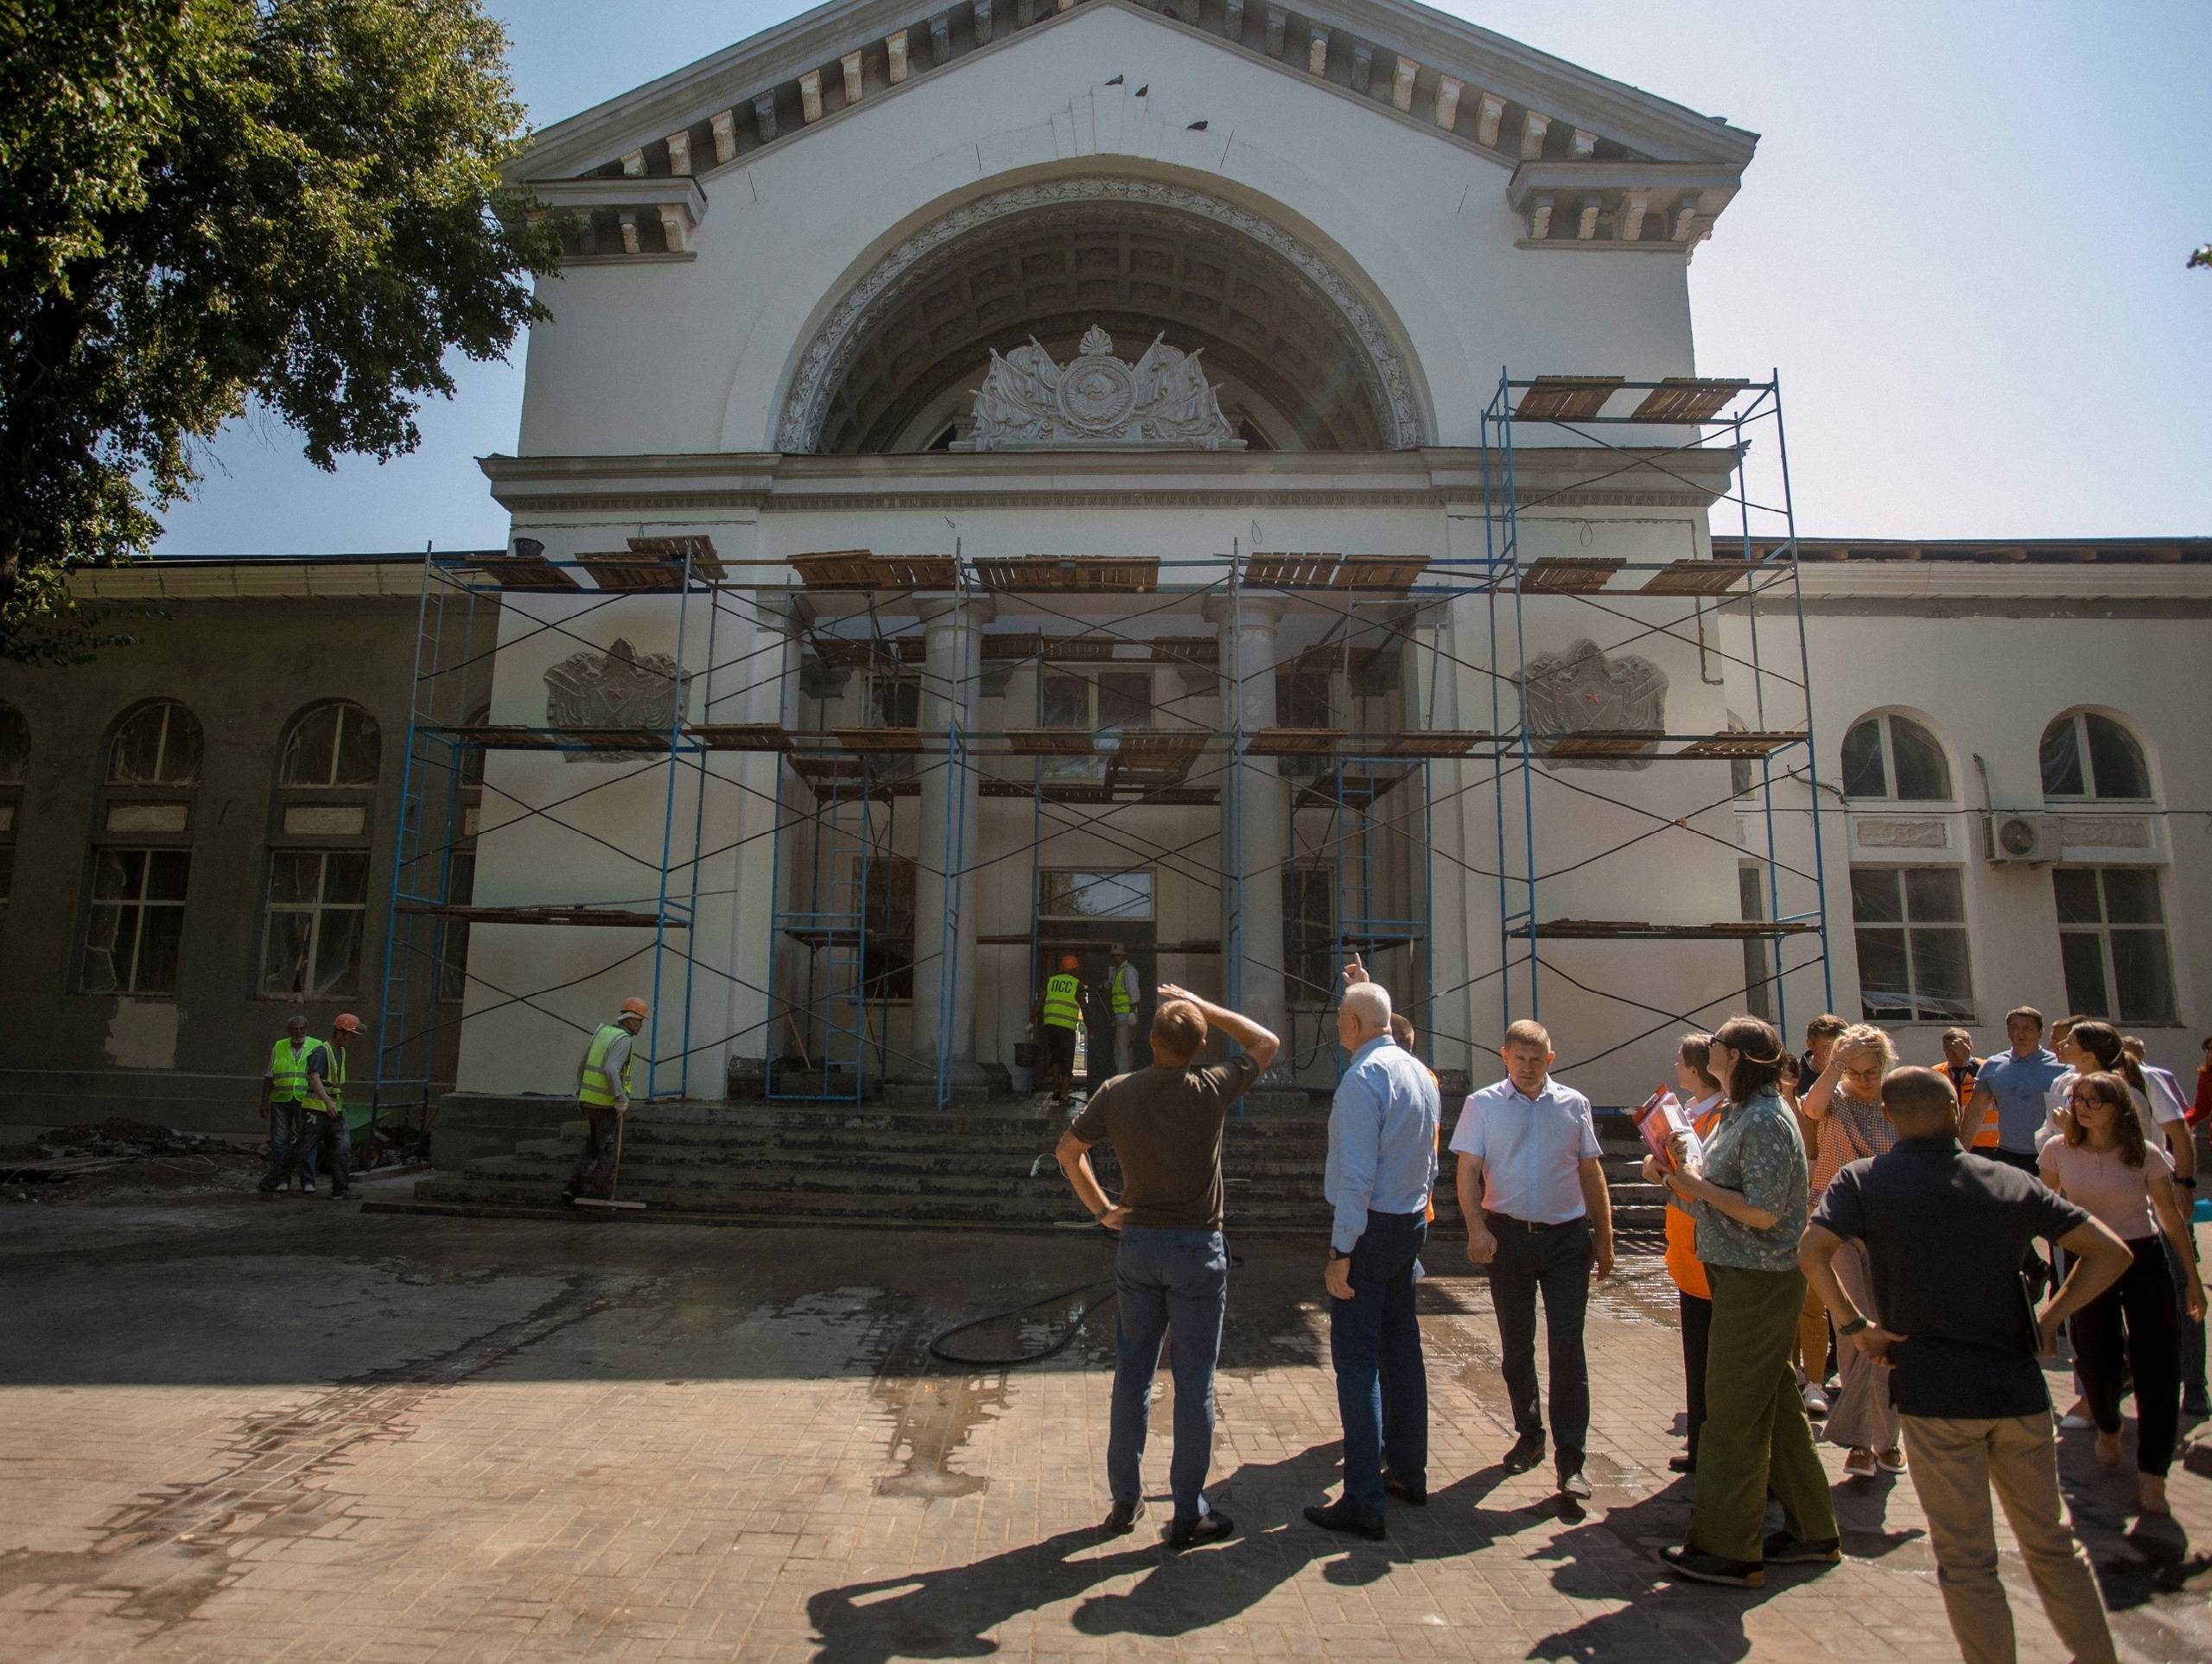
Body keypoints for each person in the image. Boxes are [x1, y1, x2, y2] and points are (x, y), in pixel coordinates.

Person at [1801, 1065, 2131, 1664]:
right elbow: (2110, 1252)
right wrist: (2053, 1316)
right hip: (2016, 1389)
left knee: (1966, 1558)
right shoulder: (2007, 1180)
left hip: (1932, 1390)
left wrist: (1854, 1326)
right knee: (2052, 1543)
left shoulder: (1865, 1180)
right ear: (1956, 1108)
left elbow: (1812, 1251)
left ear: (1891, 1117)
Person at [1056, 983, 1278, 1548]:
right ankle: (1186, 1510)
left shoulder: (1118, 1091)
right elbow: (1265, 1041)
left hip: (1139, 1244)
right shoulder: (1209, 1088)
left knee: (1133, 1373)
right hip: (1198, 1249)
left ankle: (1124, 1500)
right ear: (1199, 1045)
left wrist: (1104, 1209)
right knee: (1194, 1380)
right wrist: (1203, 1005)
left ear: (1150, 1039)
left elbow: (1067, 1153)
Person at [1653, 1015, 1836, 1590]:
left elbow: (1763, 1212)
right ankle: (1813, 1531)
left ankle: (1729, 1548)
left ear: (1735, 1057)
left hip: (1759, 1280)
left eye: (1717, 1043)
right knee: (1777, 1408)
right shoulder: (1739, 1112)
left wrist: (1696, 1188)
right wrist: (1674, 1180)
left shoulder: (1764, 1120)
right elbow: (1719, 1200)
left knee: (1731, 1416)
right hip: (1738, 1273)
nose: (1709, 1048)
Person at [1305, 958, 1442, 1539]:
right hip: (1409, 1222)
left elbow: (1357, 1177)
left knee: (1357, 1362)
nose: (1337, 1024)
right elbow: (1430, 1160)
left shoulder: (1363, 1081)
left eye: (1341, 1017)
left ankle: (1364, 1498)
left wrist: (1342, 1251)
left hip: (1370, 1229)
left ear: (1356, 1025)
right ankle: (1407, 1471)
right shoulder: (1417, 1073)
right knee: (1401, 1350)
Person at [1452, 1017, 1614, 1500]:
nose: (1527, 1067)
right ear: (1505, 1057)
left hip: (1566, 1240)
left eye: (1535, 1059)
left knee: (1568, 1347)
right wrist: (1476, 1228)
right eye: (1518, 1058)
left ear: (1550, 1059)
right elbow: (1468, 1173)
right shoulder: (1481, 1106)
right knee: (1516, 1345)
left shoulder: (1573, 1105)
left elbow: (1592, 1174)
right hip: (1508, 1239)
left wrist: (1604, 1239)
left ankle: (1572, 1461)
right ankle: (1529, 1434)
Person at [2041, 1070, 2207, 1514]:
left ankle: (2153, 1473)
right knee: (2096, 1357)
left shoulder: (2145, 1154)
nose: (2084, 1107)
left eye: (2095, 1101)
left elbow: (2171, 1220)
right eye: (2079, 1099)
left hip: (2142, 1257)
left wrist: (2191, 1281)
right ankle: (2108, 1425)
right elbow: (2040, 1206)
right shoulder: (2058, 1150)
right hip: (2088, 1259)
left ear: (2118, 1109)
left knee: (2158, 1364)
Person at [1802, 1023, 1904, 1479]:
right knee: (1853, 1324)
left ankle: (1887, 1438)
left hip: (1888, 1227)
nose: (1864, 1080)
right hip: (1835, 1223)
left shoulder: (1898, 1106)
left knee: (1890, 1328)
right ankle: (1859, 1443)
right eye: (1855, 1071)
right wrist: (1838, 1063)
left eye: (1872, 1071)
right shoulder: (1835, 1101)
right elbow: (1811, 1106)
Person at [1653, 1034, 1727, 1474]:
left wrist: (1662, 1174)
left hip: (1708, 1254)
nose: (1676, 1066)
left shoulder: (1715, 1118)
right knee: (1697, 1359)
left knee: (1711, 1361)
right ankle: (1701, 1444)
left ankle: (1711, 1449)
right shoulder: (1690, 1114)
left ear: (1697, 1070)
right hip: (1688, 1253)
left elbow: (1697, 1182)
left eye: (1680, 1061)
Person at [1965, 1006, 2069, 1292]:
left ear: (2039, 1032)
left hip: (2051, 1156)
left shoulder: (2061, 1068)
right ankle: (2034, 1268)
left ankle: (2061, 1292)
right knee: (2002, 1222)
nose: (2020, 1034)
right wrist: (1959, 1151)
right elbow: (1975, 1112)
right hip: (2010, 1154)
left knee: (2054, 1226)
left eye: (2027, 1029)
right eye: (2015, 1028)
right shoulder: (1993, 1066)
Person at [1777, 1051, 1830, 1420]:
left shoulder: (1808, 1114)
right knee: (1784, 1303)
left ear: (1796, 1079)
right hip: (1772, 1226)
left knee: (1813, 1304)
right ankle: (1790, 1370)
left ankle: (1815, 1380)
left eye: (1782, 1075)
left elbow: (1818, 1165)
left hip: (1808, 1218)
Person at [257, 1013, 360, 1200]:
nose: (352, 1039)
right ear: (338, 1033)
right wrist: (327, 1102)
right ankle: (268, 1184)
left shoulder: (340, 1052)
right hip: (316, 1111)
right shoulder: (322, 1052)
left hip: (333, 1111)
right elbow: (314, 1078)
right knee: (299, 1151)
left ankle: (341, 1190)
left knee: (342, 1150)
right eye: (350, 1035)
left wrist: (332, 1104)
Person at [564, 998, 645, 1203]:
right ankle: (596, 1195)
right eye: (640, 1021)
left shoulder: (602, 1033)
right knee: (608, 1151)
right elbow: (611, 1069)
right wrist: (620, 1098)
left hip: (589, 1102)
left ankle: (572, 1189)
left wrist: (582, 1093)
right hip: (605, 1104)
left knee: (591, 1148)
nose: (641, 1026)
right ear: (630, 1019)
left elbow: (582, 1066)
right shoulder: (624, 1040)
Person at [260, 1013, 325, 1196]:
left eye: (302, 1028)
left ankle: (308, 1181)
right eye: (295, 1029)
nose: (299, 1032)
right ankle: (282, 1179)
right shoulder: (279, 1046)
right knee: (280, 1141)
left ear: (307, 1028)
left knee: (307, 1141)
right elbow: (269, 1076)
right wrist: (264, 1101)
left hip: (306, 1100)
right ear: (289, 1031)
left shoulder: (316, 1045)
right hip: (281, 1100)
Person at [1031, 955, 1086, 1105]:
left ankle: (1056, 1090)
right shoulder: (1077, 984)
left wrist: (1031, 1020)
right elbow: (1084, 1007)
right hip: (1066, 1027)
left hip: (1050, 1025)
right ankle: (1064, 1096)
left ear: (1061, 967)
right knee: (1067, 1060)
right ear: (1075, 969)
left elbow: (1039, 1001)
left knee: (1055, 1057)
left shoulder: (1051, 982)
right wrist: (1090, 1026)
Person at [1939, 1028, 1992, 1150]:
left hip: (1988, 1144)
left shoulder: (1987, 1068)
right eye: (1951, 1050)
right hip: (1951, 1143)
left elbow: (1994, 1087)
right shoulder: (1936, 1073)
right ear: (1944, 1050)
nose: (1957, 1055)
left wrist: (1969, 1062)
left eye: (1961, 1049)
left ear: (1970, 1047)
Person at [1104, 943, 1143, 1077]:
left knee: (1121, 1051)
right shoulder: (1118, 971)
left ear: (1124, 955)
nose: (1116, 958)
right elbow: (1110, 984)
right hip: (1122, 1017)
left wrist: (1132, 1012)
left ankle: (1123, 1081)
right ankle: (1128, 1078)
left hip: (1127, 1017)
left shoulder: (1128, 971)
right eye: (1114, 956)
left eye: (1119, 955)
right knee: (1126, 1049)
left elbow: (1134, 994)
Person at [1798, 1013, 1847, 1094]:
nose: (1836, 1052)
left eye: (1842, 1046)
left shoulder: (1854, 1073)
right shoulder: (1793, 1074)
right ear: (1810, 1044)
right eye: (1828, 1047)